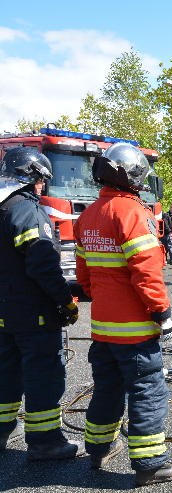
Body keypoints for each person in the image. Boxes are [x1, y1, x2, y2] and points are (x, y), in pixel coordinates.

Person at [73, 143, 172, 485]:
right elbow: (147, 272)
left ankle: (96, 450)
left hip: (103, 330)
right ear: (133, 175)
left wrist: (104, 298)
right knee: (147, 393)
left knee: (106, 389)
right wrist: (161, 312)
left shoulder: (89, 215)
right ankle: (150, 464)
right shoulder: (134, 214)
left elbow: (84, 276)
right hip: (135, 331)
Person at [0, 147, 81, 460]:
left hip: (5, 314)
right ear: (29, 177)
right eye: (40, 180)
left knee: (6, 374)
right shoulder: (27, 212)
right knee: (43, 376)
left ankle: (3, 429)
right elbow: (43, 266)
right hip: (35, 316)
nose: (42, 187)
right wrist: (65, 302)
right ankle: (45, 441)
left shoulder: (3, 209)